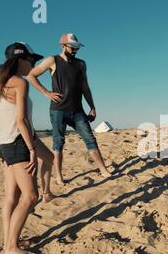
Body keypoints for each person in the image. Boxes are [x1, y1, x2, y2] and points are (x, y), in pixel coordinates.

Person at [0, 42, 55, 254]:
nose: (32, 65)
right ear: (20, 60)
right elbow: (20, 120)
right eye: (30, 61)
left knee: (13, 195)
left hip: (4, 142)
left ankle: (10, 240)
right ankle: (11, 247)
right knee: (30, 196)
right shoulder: (20, 83)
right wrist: (31, 149)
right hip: (17, 140)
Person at [27, 33, 112, 185]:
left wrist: (92, 106)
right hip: (58, 110)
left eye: (76, 47)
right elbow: (31, 75)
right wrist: (46, 93)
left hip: (78, 110)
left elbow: (85, 87)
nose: (74, 50)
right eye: (72, 47)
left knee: (90, 139)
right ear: (63, 46)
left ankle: (104, 170)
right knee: (58, 143)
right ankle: (59, 177)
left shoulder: (81, 64)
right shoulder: (52, 60)